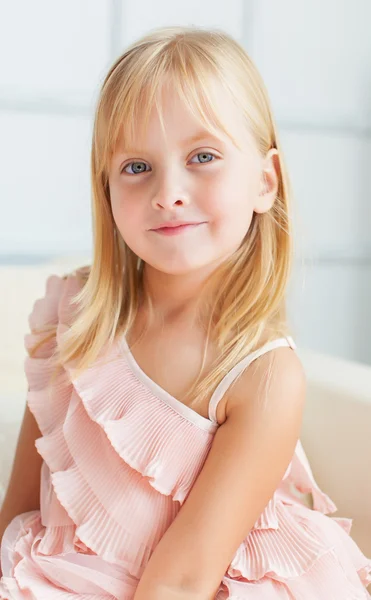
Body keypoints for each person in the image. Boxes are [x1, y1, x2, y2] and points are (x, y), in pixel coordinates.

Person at [0, 25, 370, 600]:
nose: (168, 191)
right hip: (61, 575)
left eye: (203, 156)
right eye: (136, 167)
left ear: (265, 182)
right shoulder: (71, 316)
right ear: (107, 192)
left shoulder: (262, 375)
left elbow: (180, 581)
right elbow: (19, 513)